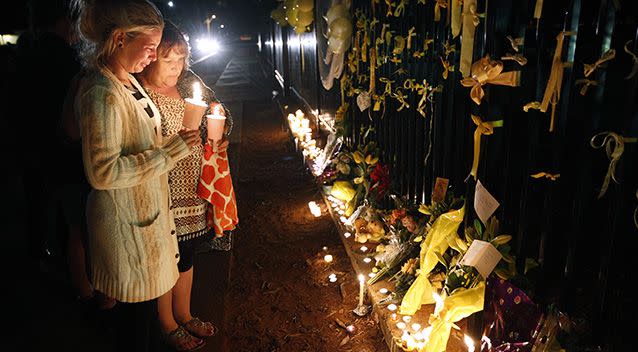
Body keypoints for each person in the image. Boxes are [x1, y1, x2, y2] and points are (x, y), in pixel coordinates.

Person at [71, 0, 200, 350]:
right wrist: (169, 152)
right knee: (133, 332)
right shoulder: (102, 92)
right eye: (150, 48)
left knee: (142, 325)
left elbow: (140, 139)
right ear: (118, 39)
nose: (153, 57)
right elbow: (102, 172)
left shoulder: (127, 81)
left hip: (146, 224)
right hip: (126, 233)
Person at [138, 21, 232, 351]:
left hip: (193, 188)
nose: (177, 68)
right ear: (149, 58)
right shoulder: (141, 96)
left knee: (187, 255)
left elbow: (220, 114)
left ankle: (184, 312)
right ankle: (165, 322)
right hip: (162, 191)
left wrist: (218, 140)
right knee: (166, 258)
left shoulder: (190, 85)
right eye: (168, 60)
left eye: (181, 59)